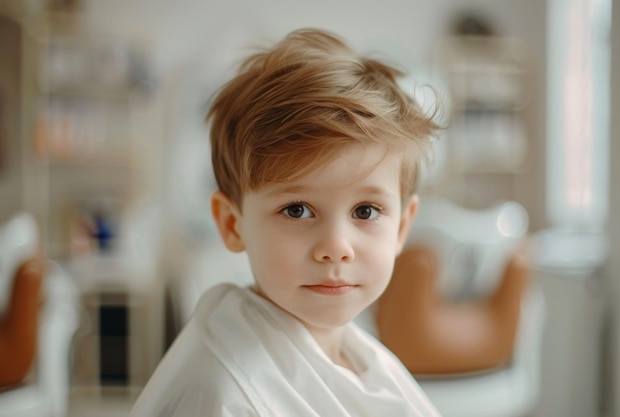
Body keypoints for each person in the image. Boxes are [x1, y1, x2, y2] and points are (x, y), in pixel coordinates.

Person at [130, 28, 441, 417]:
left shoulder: (366, 360)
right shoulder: (224, 395)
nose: (336, 247)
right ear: (232, 224)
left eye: (365, 211)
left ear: (401, 227)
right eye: (297, 210)